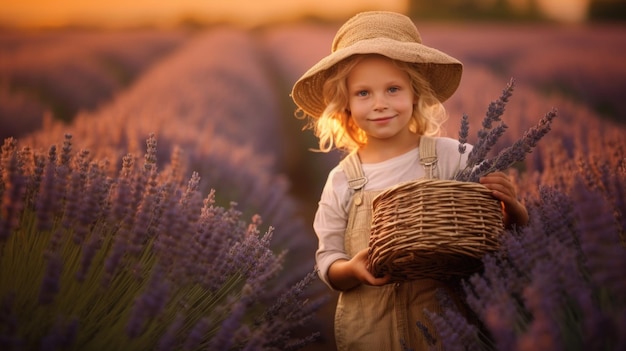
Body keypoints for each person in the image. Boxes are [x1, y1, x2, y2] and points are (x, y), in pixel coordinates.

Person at [291, 11, 529, 351]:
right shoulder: (343, 180)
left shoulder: (454, 157)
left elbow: (493, 238)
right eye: (363, 93)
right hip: (370, 333)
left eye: (392, 89)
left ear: (415, 93)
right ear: (344, 104)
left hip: (447, 331)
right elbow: (327, 260)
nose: (380, 104)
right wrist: (352, 269)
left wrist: (513, 211)